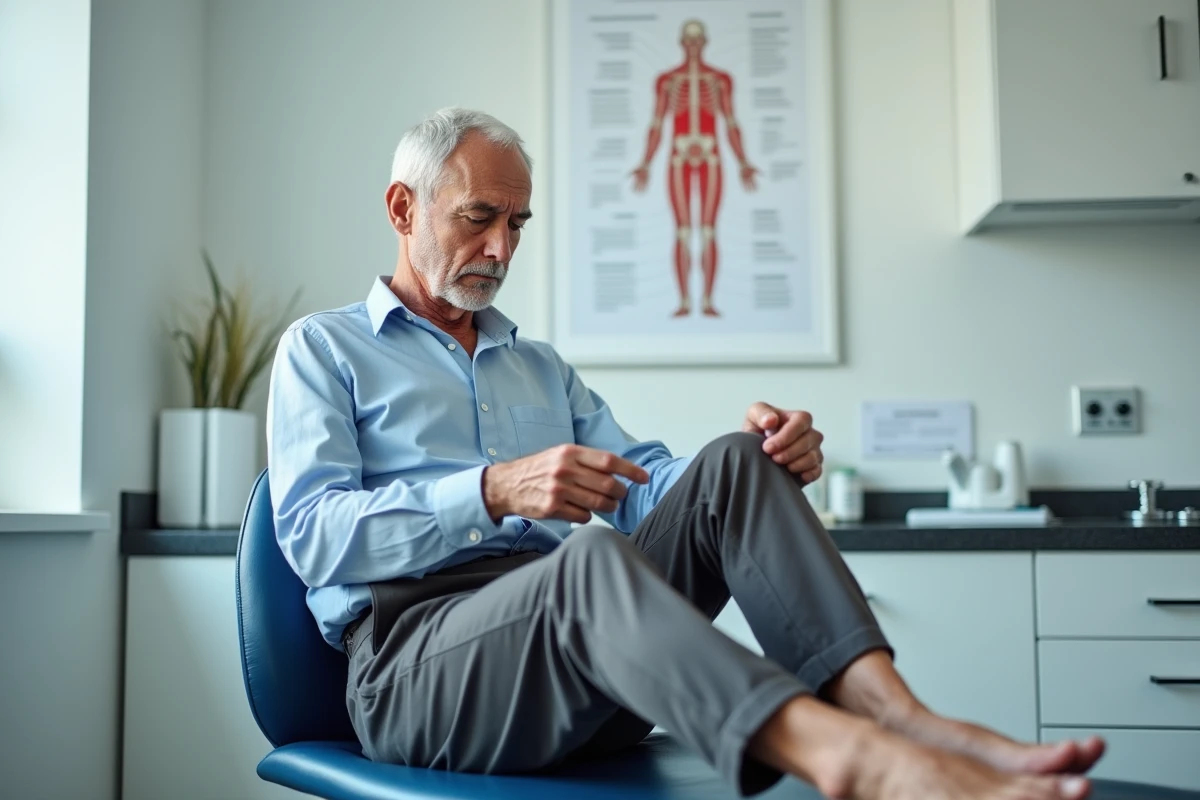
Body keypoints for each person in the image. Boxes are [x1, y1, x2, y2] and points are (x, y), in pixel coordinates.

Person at [266, 107, 1103, 800]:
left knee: (732, 465)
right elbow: (311, 535)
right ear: (403, 208)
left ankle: (894, 715)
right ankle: (847, 759)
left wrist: (766, 456)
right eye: (478, 218)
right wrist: (491, 490)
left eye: (516, 224)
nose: (502, 250)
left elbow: (649, 488)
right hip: (421, 674)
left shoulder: (538, 367)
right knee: (588, 563)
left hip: (593, 660)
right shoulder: (325, 349)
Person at [631, 18, 758, 318]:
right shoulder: (667, 81)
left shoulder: (720, 80)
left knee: (710, 231)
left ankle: (709, 301)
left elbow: (730, 122)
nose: (692, 46)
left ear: (704, 42)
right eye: (688, 40)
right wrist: (645, 164)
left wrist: (743, 162)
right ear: (682, 43)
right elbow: (657, 124)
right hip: (679, 158)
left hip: (712, 157)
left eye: (697, 40)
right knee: (684, 231)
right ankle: (687, 301)